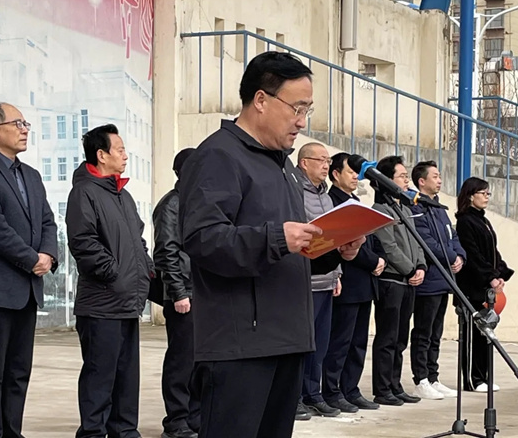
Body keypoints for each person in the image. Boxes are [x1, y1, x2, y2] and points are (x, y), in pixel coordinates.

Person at [179, 51, 363, 438]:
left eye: (307, 110)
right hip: (241, 345)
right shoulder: (218, 156)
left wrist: (334, 248)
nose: (302, 121)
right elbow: (202, 238)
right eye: (297, 108)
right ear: (261, 100)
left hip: (287, 337)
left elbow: (291, 252)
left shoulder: (282, 166)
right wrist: (277, 237)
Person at [66, 123, 154, 438]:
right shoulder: (84, 193)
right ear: (101, 155)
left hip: (128, 301)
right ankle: (92, 433)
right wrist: (114, 274)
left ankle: (125, 432)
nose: (125, 155)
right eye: (120, 150)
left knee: (127, 378)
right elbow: (83, 243)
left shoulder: (122, 195)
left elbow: (138, 240)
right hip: (102, 304)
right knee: (99, 377)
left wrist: (145, 269)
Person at [0, 102, 58, 438]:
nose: (25, 129)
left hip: (27, 291)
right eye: (17, 124)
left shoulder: (31, 175)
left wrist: (48, 255)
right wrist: (31, 259)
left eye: (26, 124)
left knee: (18, 373)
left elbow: (48, 221)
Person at [321, 151, 384, 413]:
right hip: (347, 281)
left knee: (358, 342)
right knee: (340, 341)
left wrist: (379, 258)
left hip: (365, 284)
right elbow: (345, 243)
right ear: (335, 175)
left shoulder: (356, 201)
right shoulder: (332, 203)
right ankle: (332, 390)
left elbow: (371, 238)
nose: (356, 177)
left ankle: (351, 389)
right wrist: (373, 261)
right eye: (351, 172)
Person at [371, 156, 425, 406]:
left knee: (401, 337)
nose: (406, 181)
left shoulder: (404, 209)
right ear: (387, 180)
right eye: (401, 176)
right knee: (387, 337)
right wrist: (410, 269)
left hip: (409, 280)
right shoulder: (380, 209)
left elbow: (417, 242)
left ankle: (395, 384)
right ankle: (383, 388)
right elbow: (389, 246)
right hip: (392, 281)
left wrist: (421, 266)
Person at [153, 148, 200, 438]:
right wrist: (179, 292)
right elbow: (166, 252)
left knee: (199, 361)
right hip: (184, 295)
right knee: (181, 361)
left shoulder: (198, 202)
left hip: (202, 293)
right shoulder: (172, 204)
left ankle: (195, 417)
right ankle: (176, 421)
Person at [410, 160, 466, 400]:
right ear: (422, 181)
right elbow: (428, 242)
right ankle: (421, 379)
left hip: (444, 280)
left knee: (436, 332)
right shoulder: (416, 208)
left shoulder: (439, 209)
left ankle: (433, 377)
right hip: (429, 282)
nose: (439, 180)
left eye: (440, 176)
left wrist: (460, 256)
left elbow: (452, 237)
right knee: (423, 332)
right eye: (435, 176)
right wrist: (451, 256)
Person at [295, 143, 343, 418]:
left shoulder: (326, 196)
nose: (326, 165)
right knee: (301, 343)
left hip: (327, 279)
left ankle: (314, 394)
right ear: (304, 163)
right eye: (321, 160)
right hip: (305, 280)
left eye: (328, 161)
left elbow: (334, 237)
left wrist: (338, 274)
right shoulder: (294, 192)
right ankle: (295, 398)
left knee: (320, 344)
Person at [455, 177, 514, 393]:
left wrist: (500, 274)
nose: (487, 197)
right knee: (473, 333)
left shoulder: (484, 221)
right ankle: (473, 379)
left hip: (486, 287)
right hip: (472, 287)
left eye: (488, 193)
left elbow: (492, 252)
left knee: (485, 333)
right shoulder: (465, 221)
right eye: (483, 193)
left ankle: (484, 376)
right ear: (471, 196)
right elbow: (473, 255)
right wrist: (489, 276)